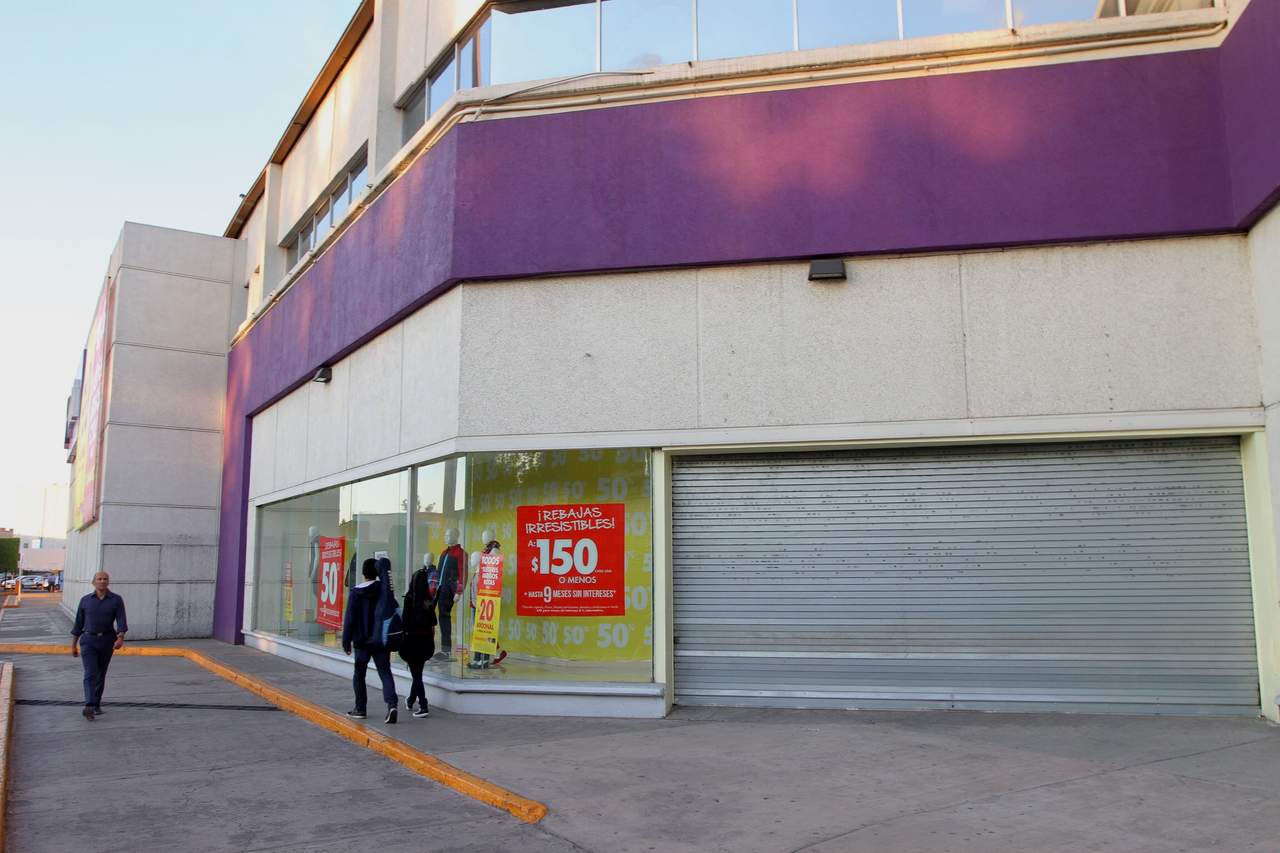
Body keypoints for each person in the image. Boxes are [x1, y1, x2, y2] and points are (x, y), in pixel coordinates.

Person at [342, 558, 398, 724]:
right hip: (380, 639)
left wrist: (346, 641)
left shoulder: (355, 593)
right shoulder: (383, 589)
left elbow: (350, 619)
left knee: (359, 675)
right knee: (385, 672)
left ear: (363, 573)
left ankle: (360, 708)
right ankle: (392, 705)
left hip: (361, 642)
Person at [70, 571, 128, 720]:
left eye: (105, 579)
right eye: (99, 579)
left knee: (101, 674)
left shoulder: (116, 600)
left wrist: (120, 638)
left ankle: (96, 704)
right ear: (93, 582)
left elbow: (121, 620)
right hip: (88, 640)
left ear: (108, 582)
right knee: (90, 673)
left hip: (107, 641)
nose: (102, 581)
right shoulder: (85, 600)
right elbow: (78, 623)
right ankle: (89, 705)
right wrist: (73, 645)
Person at [399, 561, 437, 718]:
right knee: (417, 674)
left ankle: (423, 704)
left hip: (411, 641)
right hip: (425, 641)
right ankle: (410, 700)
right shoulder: (428, 600)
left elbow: (404, 622)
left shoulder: (410, 598)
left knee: (416, 675)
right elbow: (434, 622)